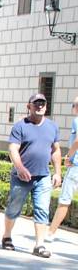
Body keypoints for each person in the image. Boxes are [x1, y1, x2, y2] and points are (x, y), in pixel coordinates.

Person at [1, 93, 61, 258]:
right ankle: (7, 236)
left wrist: (57, 172)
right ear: (29, 106)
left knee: (42, 209)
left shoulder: (52, 127)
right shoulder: (20, 126)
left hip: (43, 176)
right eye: (36, 104)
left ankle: (39, 245)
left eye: (42, 103)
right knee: (14, 208)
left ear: (46, 106)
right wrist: (19, 168)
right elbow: (13, 149)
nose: (40, 106)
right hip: (21, 177)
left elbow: (55, 151)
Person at [47, 96, 78, 241]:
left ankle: (50, 233)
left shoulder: (77, 120)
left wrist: (68, 157)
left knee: (64, 200)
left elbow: (77, 140)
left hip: (76, 167)